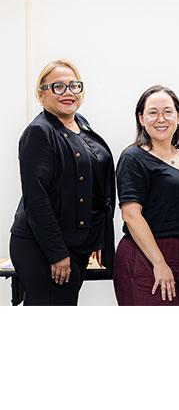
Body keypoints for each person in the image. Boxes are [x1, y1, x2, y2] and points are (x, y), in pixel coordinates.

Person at [9, 59, 115, 305]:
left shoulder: (82, 124)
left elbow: (92, 188)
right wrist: (56, 254)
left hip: (75, 243)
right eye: (58, 87)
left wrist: (97, 238)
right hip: (41, 246)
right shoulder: (39, 132)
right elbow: (37, 199)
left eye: (74, 86)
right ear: (41, 94)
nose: (68, 92)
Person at [112, 85, 179, 305]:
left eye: (168, 111)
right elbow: (131, 215)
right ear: (141, 119)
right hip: (147, 257)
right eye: (152, 112)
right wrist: (160, 263)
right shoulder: (133, 157)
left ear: (178, 116)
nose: (161, 118)